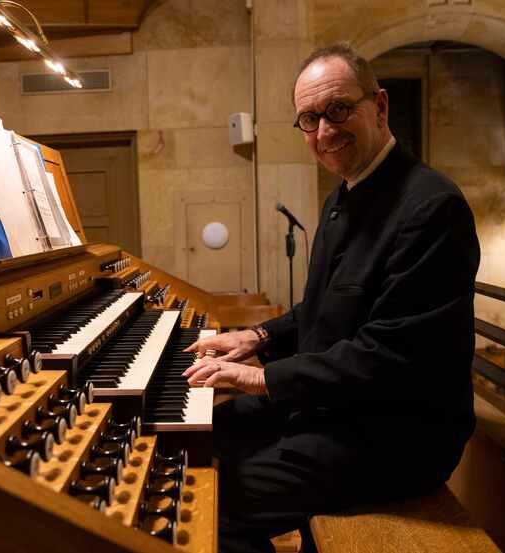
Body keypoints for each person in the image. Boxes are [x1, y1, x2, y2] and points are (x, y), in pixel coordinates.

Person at [183, 42, 481, 553]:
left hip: (396, 434)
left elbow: (394, 355)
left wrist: (262, 378)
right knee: (194, 442)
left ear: (380, 106)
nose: (324, 131)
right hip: (337, 406)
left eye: (338, 110)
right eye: (309, 119)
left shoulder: (431, 207)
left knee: (209, 507)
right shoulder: (344, 194)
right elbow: (322, 309)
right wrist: (256, 336)